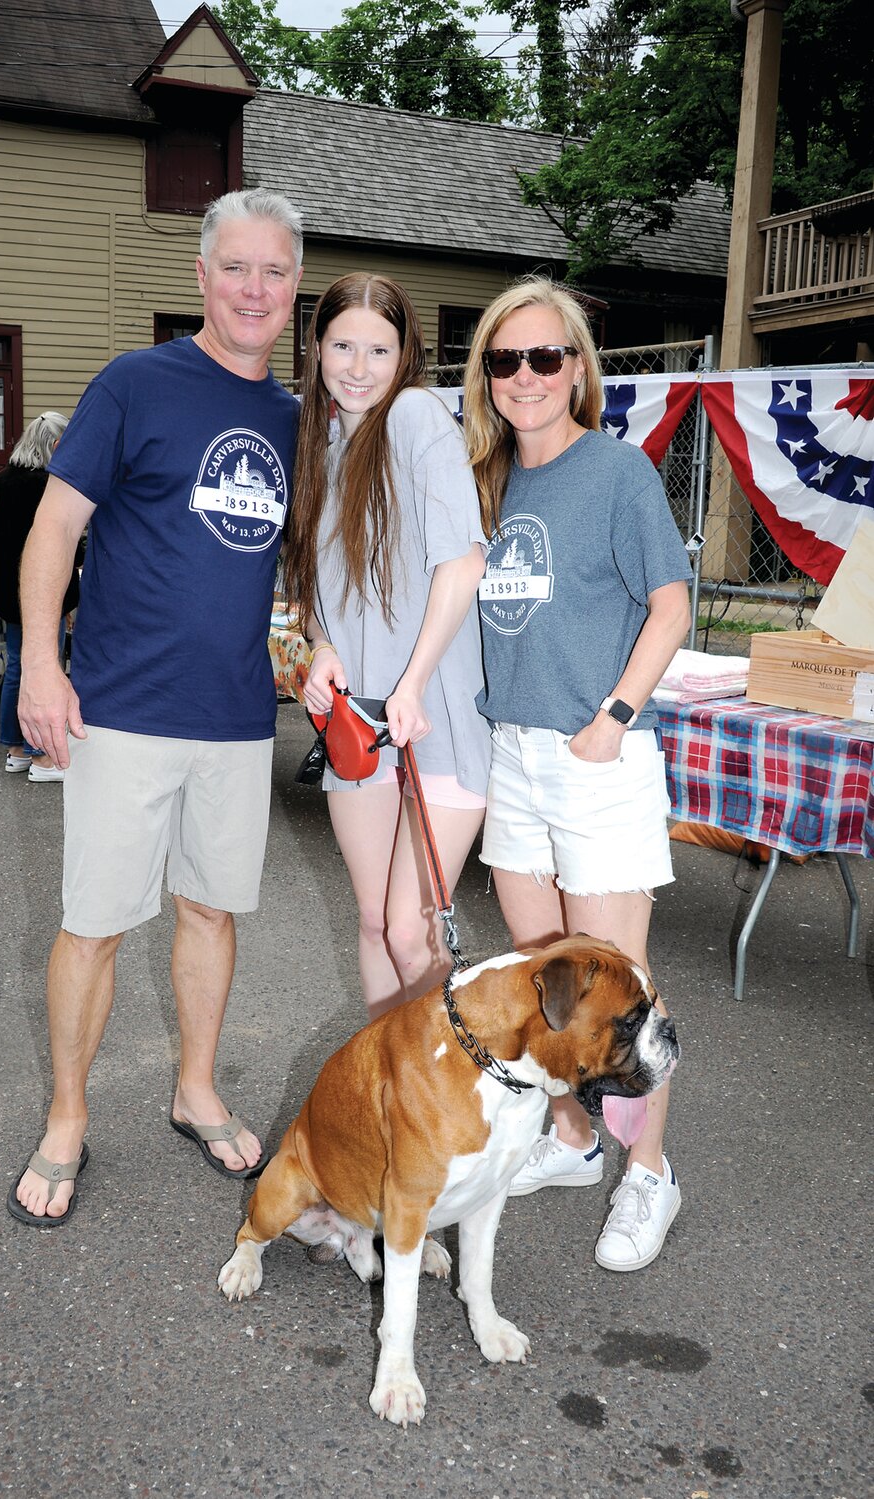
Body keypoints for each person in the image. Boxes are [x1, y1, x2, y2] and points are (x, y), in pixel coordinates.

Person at [7, 188, 303, 1227]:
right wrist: (41, 666)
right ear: (201, 276)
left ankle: (195, 1088)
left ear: (294, 284)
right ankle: (67, 1115)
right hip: (121, 710)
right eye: (235, 267)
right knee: (94, 922)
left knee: (209, 909)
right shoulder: (136, 382)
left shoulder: (291, 416)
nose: (253, 288)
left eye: (273, 270)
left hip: (233, 717)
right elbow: (52, 531)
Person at [462, 278, 692, 1272]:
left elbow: (671, 606)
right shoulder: (488, 478)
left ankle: (649, 1171)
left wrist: (614, 715)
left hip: (592, 754)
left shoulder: (615, 471)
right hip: (510, 751)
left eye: (543, 357)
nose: (523, 377)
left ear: (576, 368)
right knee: (542, 969)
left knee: (616, 991)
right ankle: (569, 1137)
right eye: (503, 359)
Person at [283, 273, 489, 1021]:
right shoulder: (322, 438)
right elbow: (315, 595)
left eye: (379, 348)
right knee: (373, 922)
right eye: (342, 345)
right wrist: (324, 649)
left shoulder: (414, 415)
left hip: (430, 713)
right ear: (316, 347)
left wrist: (412, 682)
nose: (358, 366)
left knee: (412, 929)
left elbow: (463, 563)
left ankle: (445, 1102)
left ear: (406, 355)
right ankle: (389, 1095)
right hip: (358, 720)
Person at [0, 411, 76, 782]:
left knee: (18, 669)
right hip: (39, 592)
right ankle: (42, 757)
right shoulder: (47, 485)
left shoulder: (2, 479)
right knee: (44, 668)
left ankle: (17, 750)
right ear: (55, 446)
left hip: (8, 591)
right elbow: (57, 547)